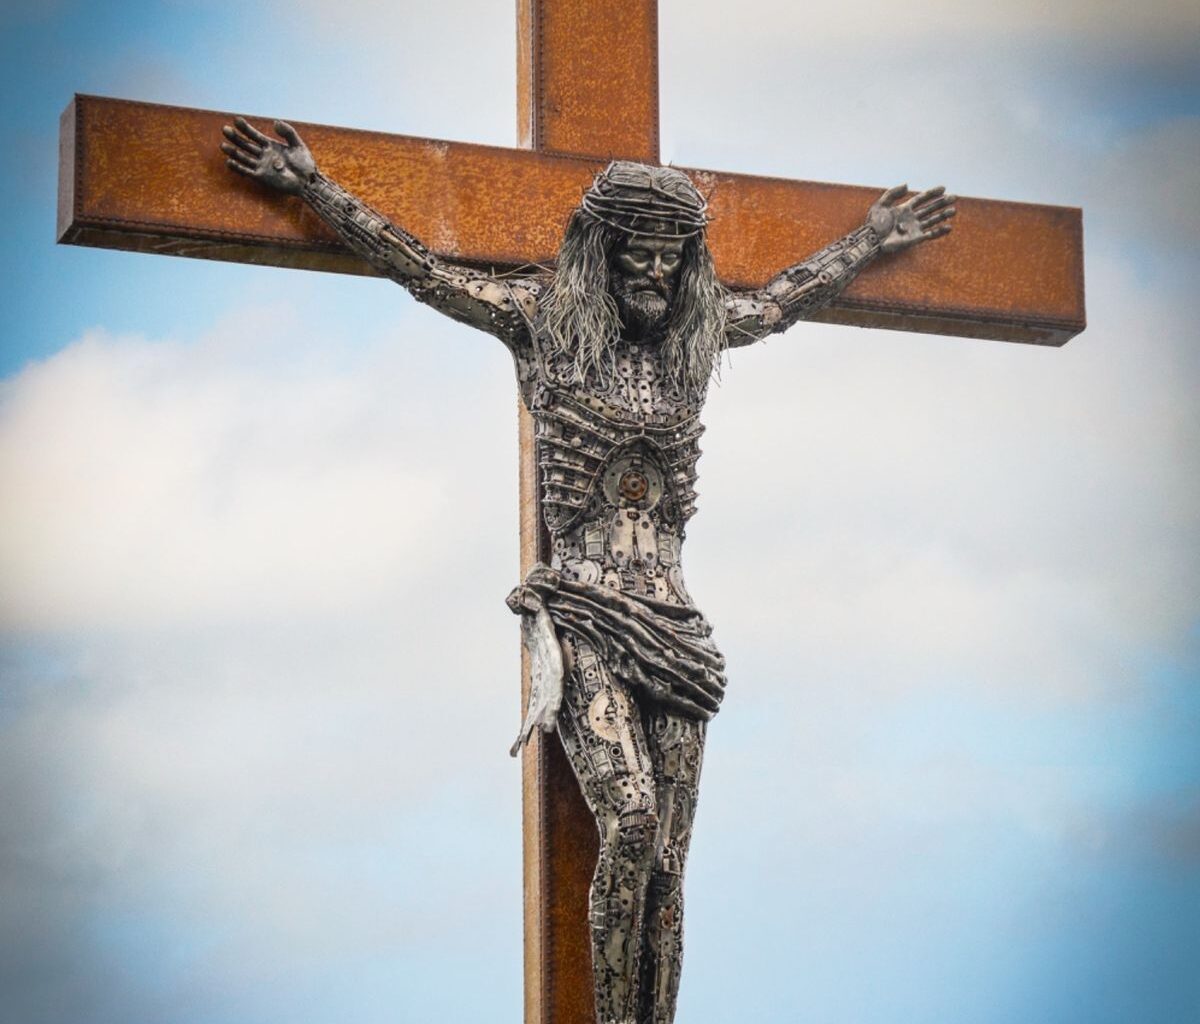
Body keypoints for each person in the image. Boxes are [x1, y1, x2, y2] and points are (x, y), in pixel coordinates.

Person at [221, 117, 955, 1024]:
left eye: (669, 258)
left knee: (672, 862)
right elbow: (421, 269)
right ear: (599, 252)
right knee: (633, 821)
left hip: (678, 626)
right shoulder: (541, 324)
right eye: (636, 256)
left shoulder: (704, 333)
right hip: (581, 606)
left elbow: (787, 297)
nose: (653, 273)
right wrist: (312, 186)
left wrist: (872, 241)